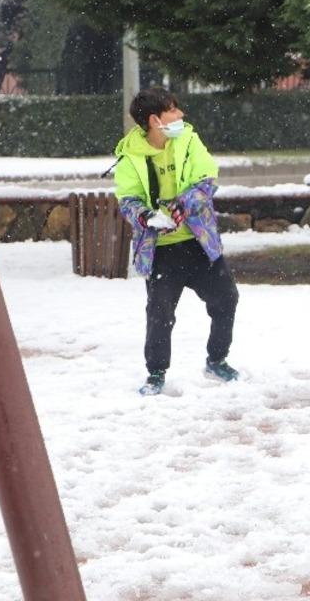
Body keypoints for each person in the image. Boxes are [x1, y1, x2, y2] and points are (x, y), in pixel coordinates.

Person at [113, 87, 240, 396]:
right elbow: (127, 199)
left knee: (226, 299)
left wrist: (182, 207)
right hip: (161, 251)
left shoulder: (188, 140)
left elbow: (206, 179)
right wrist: (148, 217)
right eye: (173, 110)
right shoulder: (129, 157)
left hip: (198, 243)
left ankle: (217, 360)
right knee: (160, 313)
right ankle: (156, 373)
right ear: (155, 120)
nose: (181, 115)